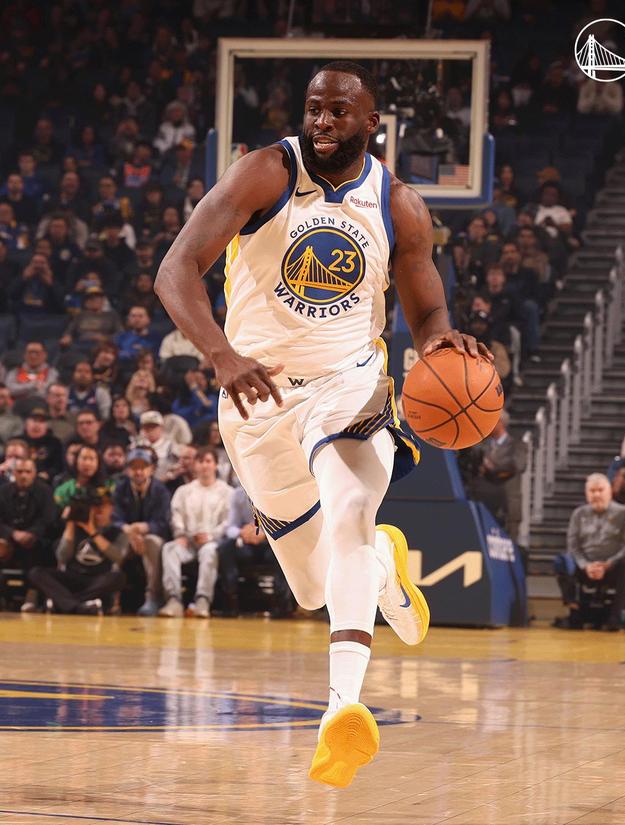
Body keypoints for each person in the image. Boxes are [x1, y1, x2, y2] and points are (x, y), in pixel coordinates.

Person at [155, 61, 490, 787]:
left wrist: (440, 342)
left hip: (350, 383)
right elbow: (175, 269)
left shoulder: (397, 204)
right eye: (314, 109)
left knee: (349, 512)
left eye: (339, 111)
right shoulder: (265, 173)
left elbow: (427, 309)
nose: (323, 122)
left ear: (373, 123)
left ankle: (343, 707)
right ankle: (382, 570)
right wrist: (221, 354)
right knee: (311, 586)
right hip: (257, 395)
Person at [555, 474, 625, 631]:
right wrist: (586, 565)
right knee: (562, 561)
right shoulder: (578, 514)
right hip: (585, 566)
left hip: (612, 566)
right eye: (592, 491)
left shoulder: (623, 514)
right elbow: (573, 546)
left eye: (600, 490)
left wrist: (608, 564)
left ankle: (615, 618)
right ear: (586, 494)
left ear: (610, 491)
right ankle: (574, 610)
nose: (596, 494)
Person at [159, 447, 232, 618]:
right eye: (200, 461)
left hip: (212, 541)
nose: (204, 465)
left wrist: (211, 536)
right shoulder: (184, 491)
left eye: (208, 461)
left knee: (209, 551)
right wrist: (180, 534)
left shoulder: (227, 492)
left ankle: (202, 600)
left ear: (215, 465)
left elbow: (228, 521)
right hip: (188, 541)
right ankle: (174, 600)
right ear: (195, 465)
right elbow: (176, 515)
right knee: (169, 549)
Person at [30, 493, 127, 615]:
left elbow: (118, 557)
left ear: (111, 509)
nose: (99, 511)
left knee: (118, 577)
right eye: (95, 508)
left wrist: (93, 532)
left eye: (103, 507)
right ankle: (79, 605)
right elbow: (62, 557)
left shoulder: (117, 533)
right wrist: (70, 524)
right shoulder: (74, 529)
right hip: (73, 576)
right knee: (36, 573)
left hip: (98, 580)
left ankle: (66, 603)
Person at [112, 447, 171, 616]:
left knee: (152, 542)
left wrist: (144, 528)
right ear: (127, 470)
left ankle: (153, 597)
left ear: (151, 469)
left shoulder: (160, 490)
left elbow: (163, 522)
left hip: (152, 536)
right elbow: (113, 518)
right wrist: (129, 530)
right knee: (116, 545)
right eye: (134, 467)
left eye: (143, 467)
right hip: (127, 534)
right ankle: (111, 597)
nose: (138, 471)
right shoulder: (120, 488)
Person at [217, 483, 287, 617]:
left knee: (284, 550)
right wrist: (242, 532)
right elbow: (230, 527)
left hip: (271, 543)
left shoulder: (275, 491)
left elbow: (284, 523)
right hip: (247, 543)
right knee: (225, 547)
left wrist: (264, 533)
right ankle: (230, 601)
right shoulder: (237, 494)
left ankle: (282, 605)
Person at [0, 457, 56, 612]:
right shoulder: (3, 491)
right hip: (7, 539)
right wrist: (12, 533)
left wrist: (31, 533)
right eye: (19, 471)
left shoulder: (45, 491)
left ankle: (32, 595)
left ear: (34, 473)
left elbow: (49, 519)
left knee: (37, 547)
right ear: (13, 473)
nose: (23, 475)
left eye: (27, 472)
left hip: (37, 540)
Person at [465, 411, 527, 541]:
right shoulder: (482, 446)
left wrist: (490, 467)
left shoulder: (517, 445)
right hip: (483, 501)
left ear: (500, 422)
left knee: (508, 543)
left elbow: (518, 465)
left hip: (508, 505)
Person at [23, 406, 63, 482]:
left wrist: (48, 474)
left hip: (45, 481)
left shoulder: (55, 443)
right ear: (26, 423)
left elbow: (58, 466)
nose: (37, 425)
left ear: (47, 425)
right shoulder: (17, 441)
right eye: (34, 420)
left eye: (41, 421)